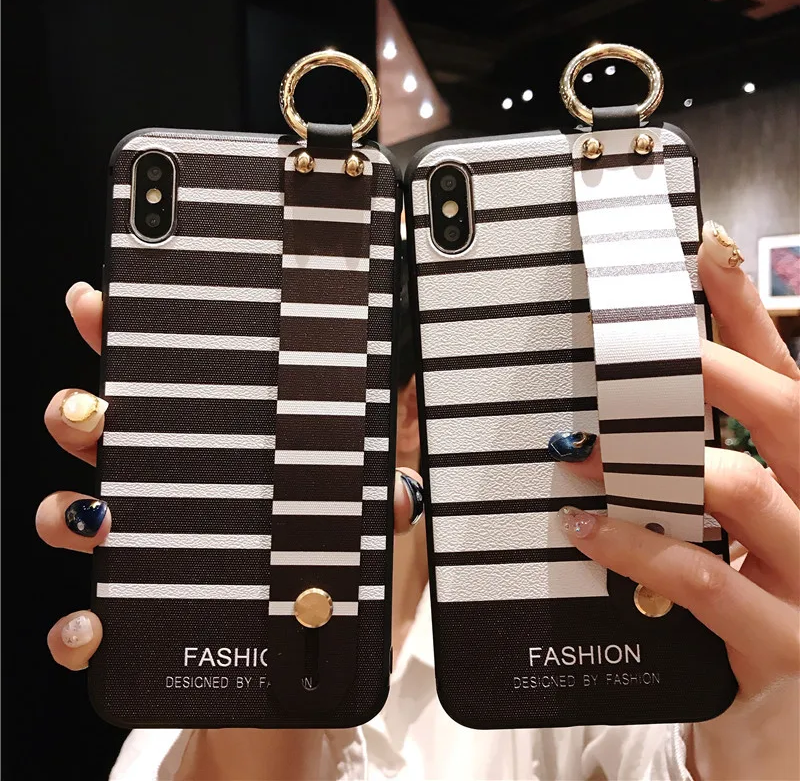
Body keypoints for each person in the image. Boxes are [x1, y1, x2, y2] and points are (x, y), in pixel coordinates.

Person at [40, 222, 799, 780]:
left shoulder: (554, 646)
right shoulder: (189, 687)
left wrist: (768, 727)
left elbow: (673, 758)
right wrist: (265, 683)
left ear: (405, 409)